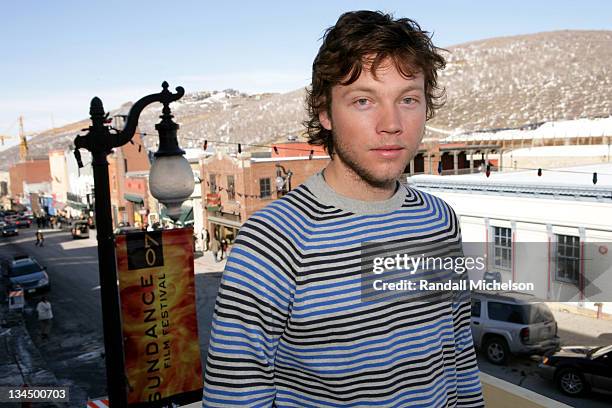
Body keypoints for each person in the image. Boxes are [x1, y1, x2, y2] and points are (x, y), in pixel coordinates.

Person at [203, 10, 483, 407]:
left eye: (408, 99)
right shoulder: (272, 242)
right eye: (364, 100)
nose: (392, 123)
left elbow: (457, 353)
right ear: (325, 112)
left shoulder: (439, 220)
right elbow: (236, 397)